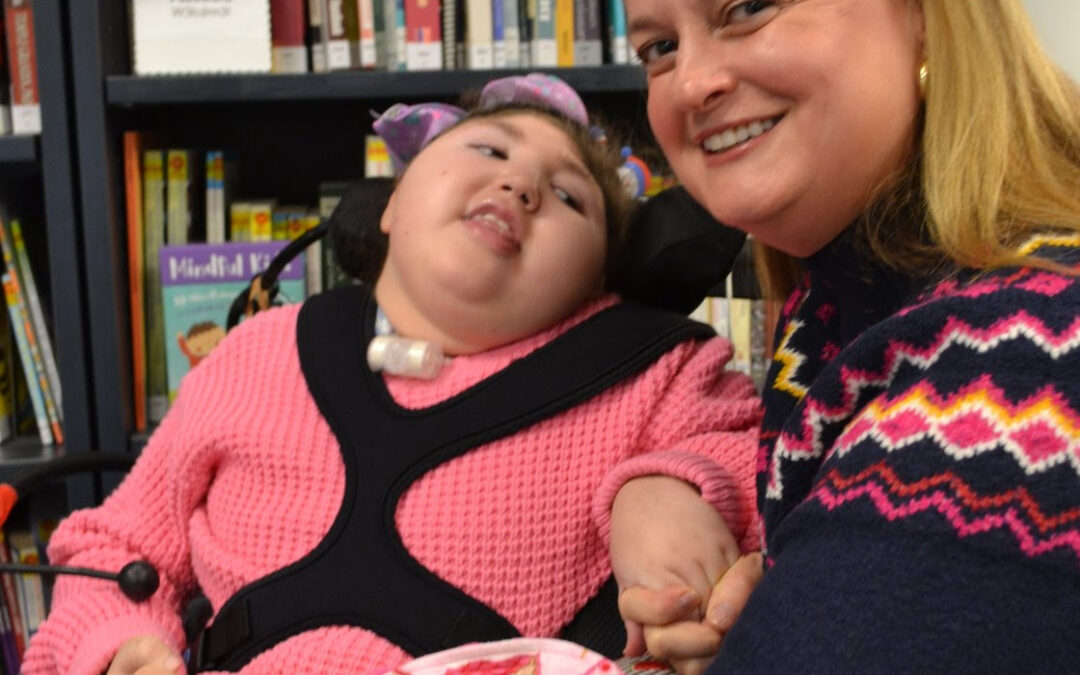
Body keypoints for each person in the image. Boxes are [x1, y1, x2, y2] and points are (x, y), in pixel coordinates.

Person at [22, 73, 762, 675]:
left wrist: (664, 486)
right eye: (488, 152)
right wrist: (118, 643)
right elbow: (112, 548)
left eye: (570, 196)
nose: (521, 187)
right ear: (388, 205)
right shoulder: (257, 353)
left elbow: (756, 459)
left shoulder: (652, 369)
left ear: (596, 283)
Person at [613, 0, 1080, 672]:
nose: (690, 82)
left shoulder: (1017, 367)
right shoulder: (834, 306)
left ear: (926, 15)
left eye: (748, 9)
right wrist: (802, 579)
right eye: (658, 49)